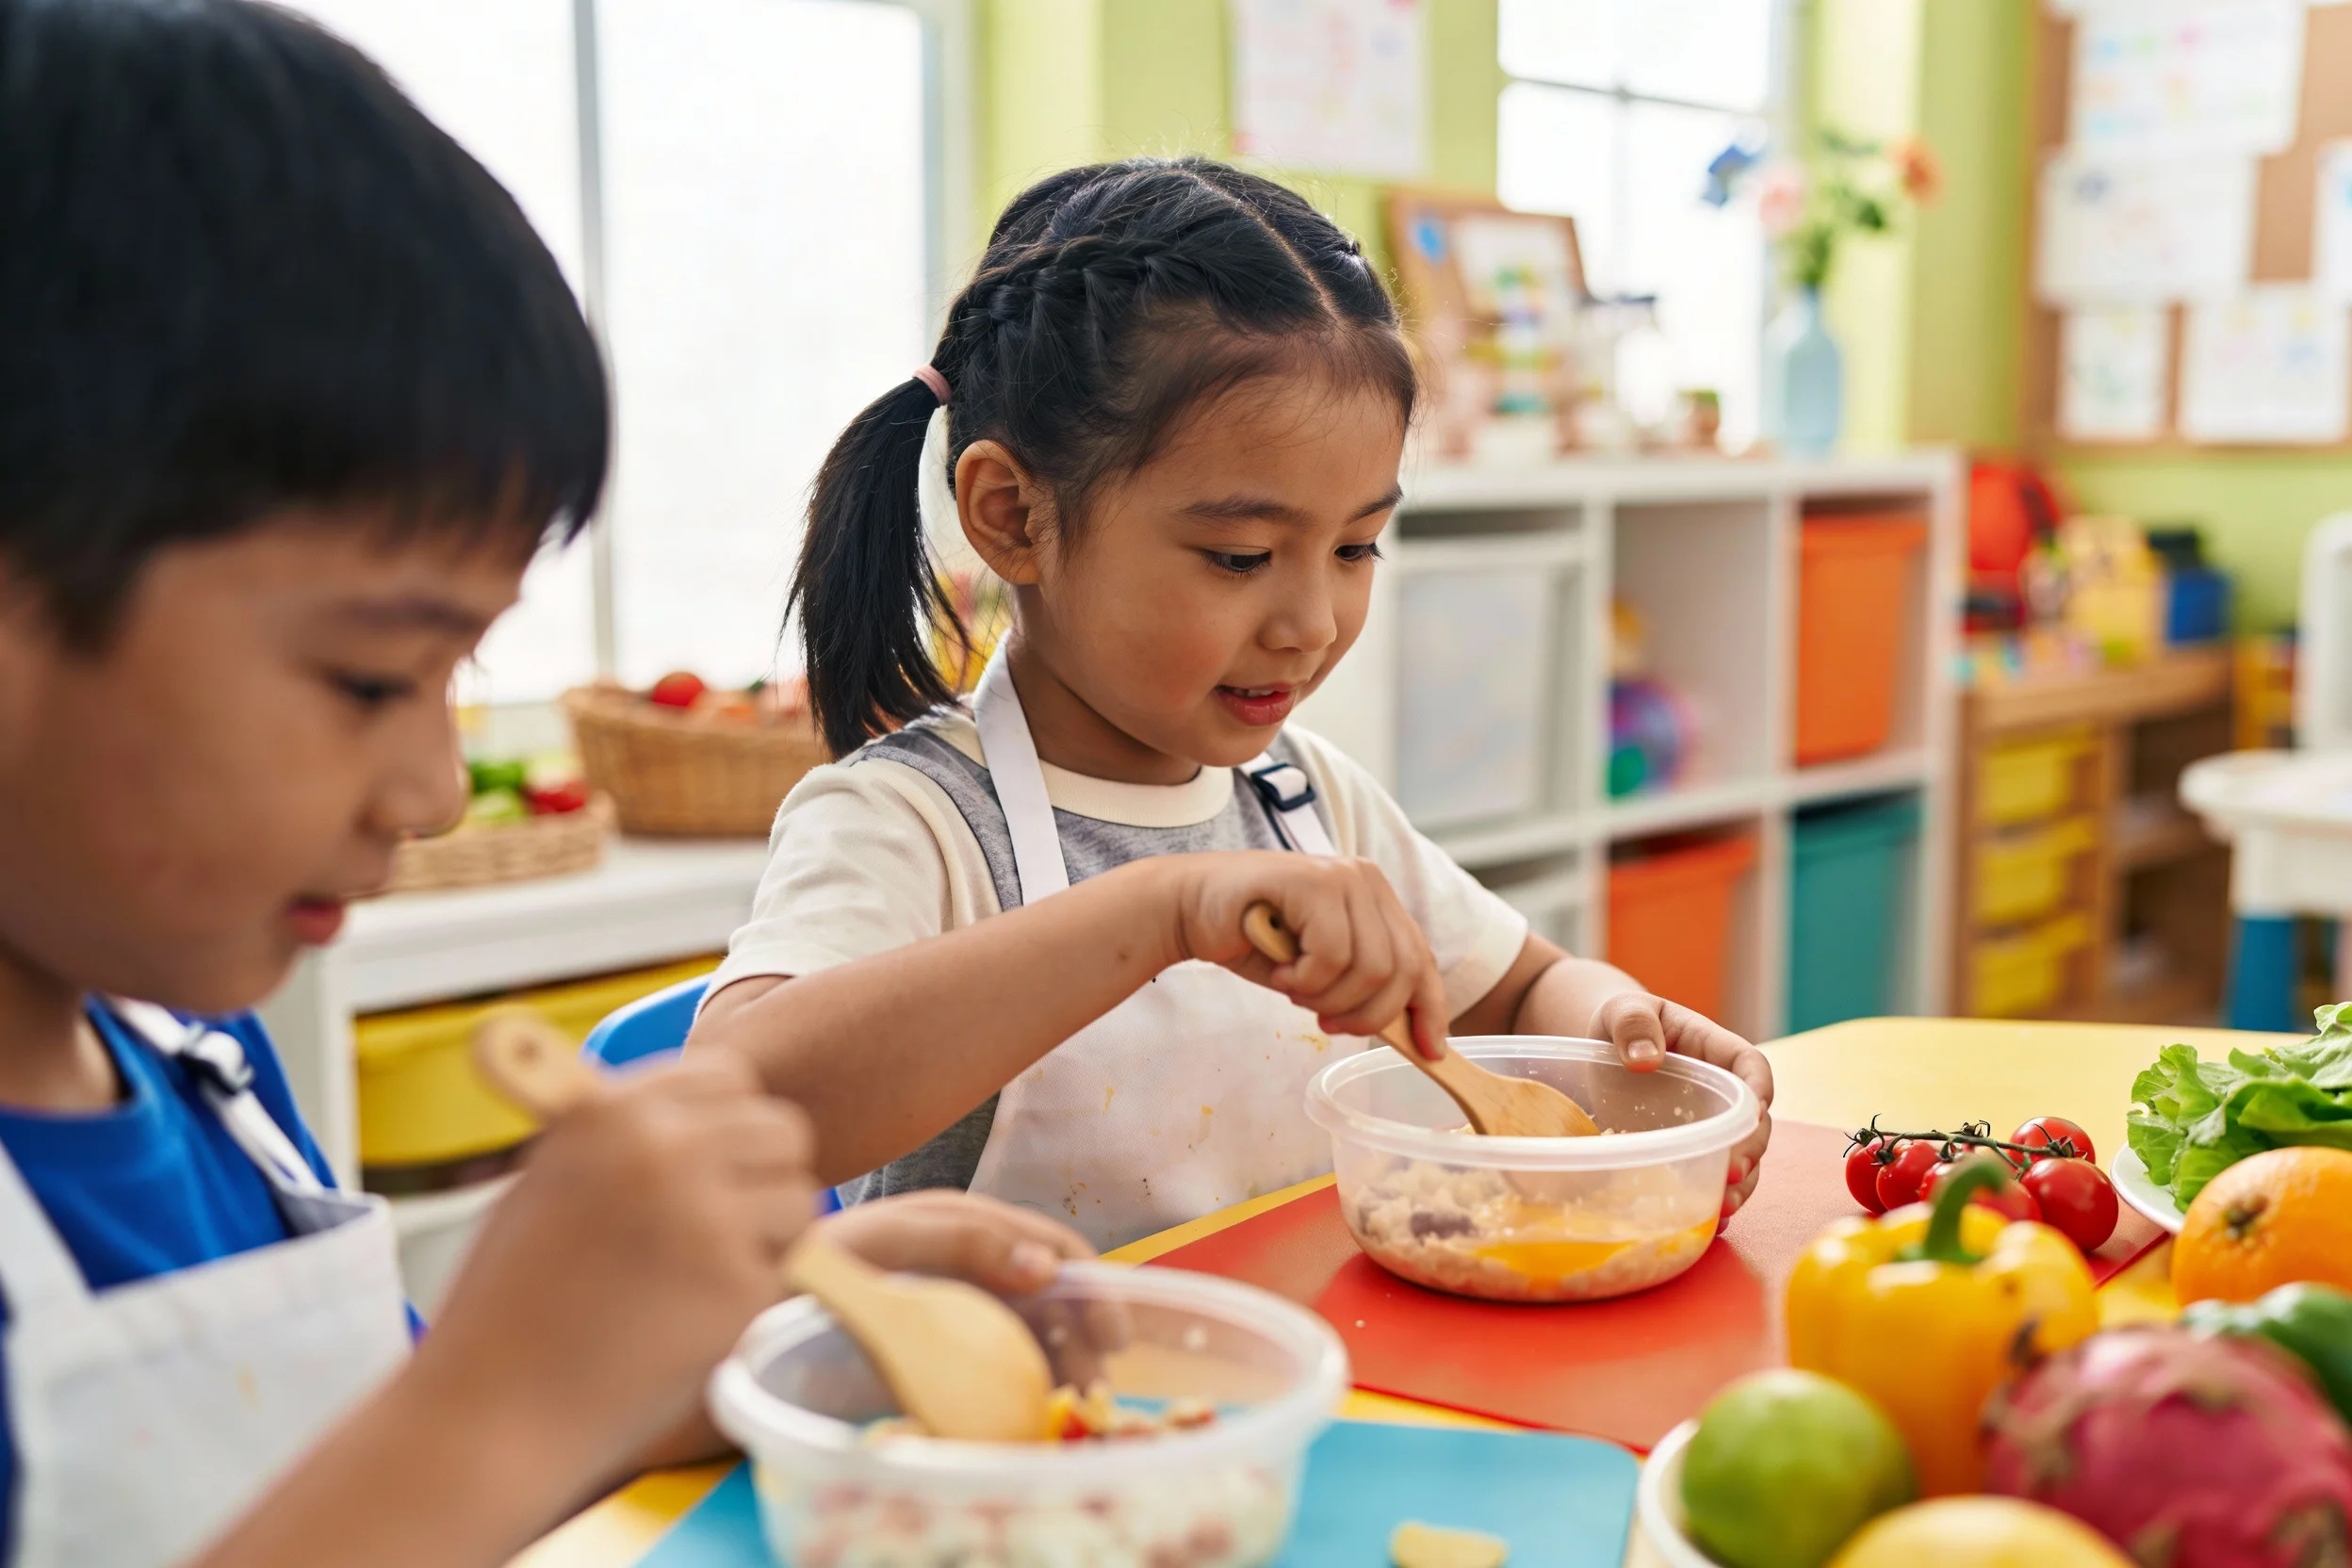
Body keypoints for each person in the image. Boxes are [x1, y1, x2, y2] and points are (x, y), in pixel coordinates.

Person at [0, 4, 1083, 1565]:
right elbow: (453, 1444)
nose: (436, 783)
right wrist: (498, 1396)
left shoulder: (197, 1065)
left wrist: (778, 1335)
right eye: (373, 675)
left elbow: (378, 1476)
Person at [691, 157, 1775, 1253]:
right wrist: (1164, 910)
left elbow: (1521, 983)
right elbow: (734, 1112)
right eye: (1240, 554)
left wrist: (1612, 1031)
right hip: (1032, 1410)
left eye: (1356, 546)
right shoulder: (911, 822)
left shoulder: (1303, 799)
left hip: (1297, 1388)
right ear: (1012, 515)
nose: (1311, 619)